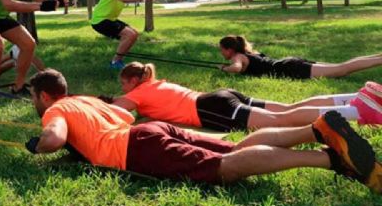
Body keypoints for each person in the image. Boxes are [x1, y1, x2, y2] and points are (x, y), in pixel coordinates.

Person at [25, 69, 382, 191]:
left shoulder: (55, 109)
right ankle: (316, 129)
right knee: (233, 150)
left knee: (224, 169)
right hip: (150, 131)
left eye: (33, 97)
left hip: (135, 149)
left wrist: (38, 145)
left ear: (43, 95)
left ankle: (331, 160)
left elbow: (54, 138)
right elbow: (121, 119)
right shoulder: (85, 99)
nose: (35, 104)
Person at [107, 62, 382, 132]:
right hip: (221, 95)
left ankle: (358, 110)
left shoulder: (137, 93)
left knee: (281, 119)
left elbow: (117, 111)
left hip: (210, 108)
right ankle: (356, 96)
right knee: (289, 107)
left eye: (123, 84)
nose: (123, 89)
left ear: (132, 80)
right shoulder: (155, 82)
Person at [91, 0, 169, 70]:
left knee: (134, 34)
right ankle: (115, 63)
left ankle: (118, 61)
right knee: (129, 35)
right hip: (100, 20)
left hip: (110, 19)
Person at [219, 35, 382, 79]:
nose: (221, 54)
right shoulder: (248, 53)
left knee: (341, 69)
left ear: (230, 49)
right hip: (291, 63)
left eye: (222, 50)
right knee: (341, 66)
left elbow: (237, 68)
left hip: (292, 68)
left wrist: (225, 68)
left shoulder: (238, 57)